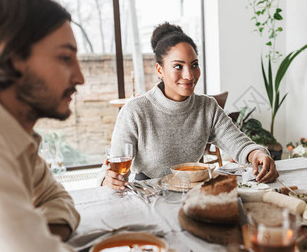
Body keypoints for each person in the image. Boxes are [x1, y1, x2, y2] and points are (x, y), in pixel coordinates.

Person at [101, 22, 279, 190]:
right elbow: (113, 169)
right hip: (150, 192)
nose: (189, 75)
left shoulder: (207, 107)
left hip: (191, 190)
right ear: (160, 70)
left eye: (194, 65)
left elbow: (238, 144)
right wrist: (107, 179)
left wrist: (258, 154)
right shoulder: (135, 111)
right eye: (178, 66)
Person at [0, 0, 87, 252]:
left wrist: (36, 240)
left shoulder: (19, 142)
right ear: (11, 55)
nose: (80, 77)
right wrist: (38, 250)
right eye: (64, 58)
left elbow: (61, 200)